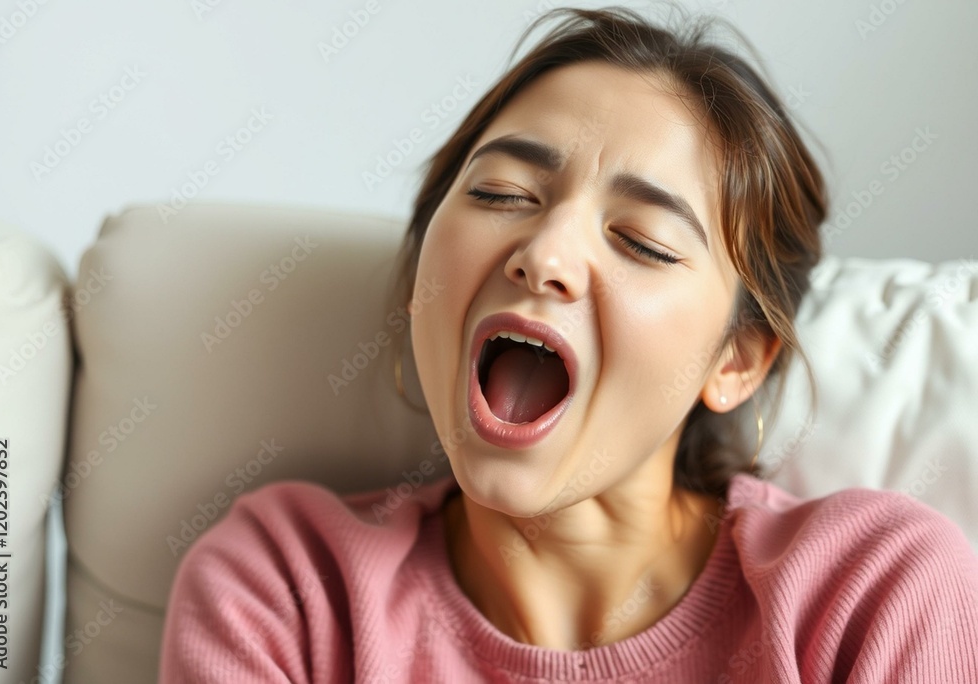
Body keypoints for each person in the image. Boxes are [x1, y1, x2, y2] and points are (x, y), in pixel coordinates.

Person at [158, 7, 978, 682]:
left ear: (736, 360)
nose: (544, 254)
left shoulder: (872, 591)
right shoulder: (288, 590)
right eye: (501, 193)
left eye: (643, 241)